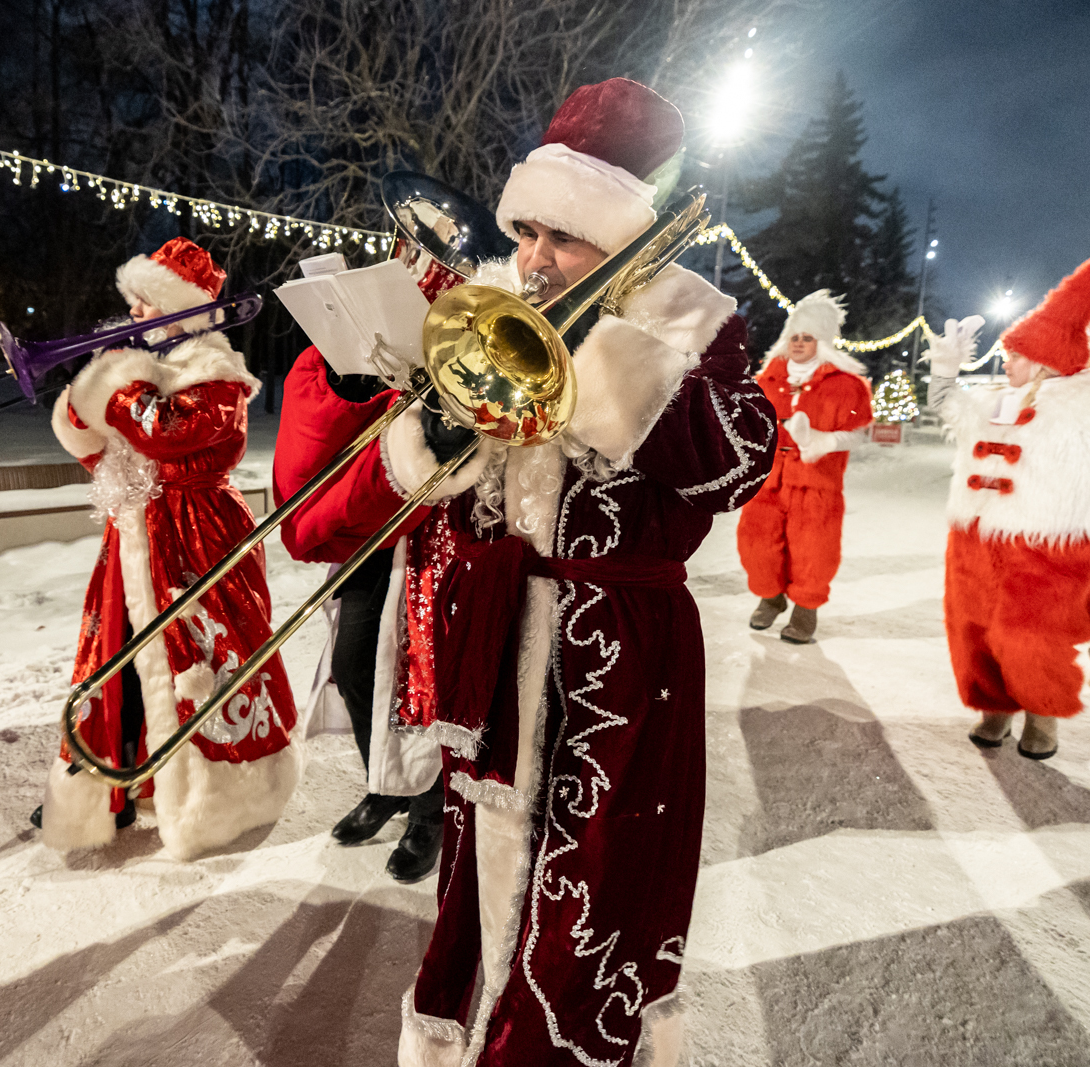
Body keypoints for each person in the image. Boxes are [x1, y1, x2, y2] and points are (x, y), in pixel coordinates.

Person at [391, 78, 777, 1067]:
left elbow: (740, 459)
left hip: (618, 648)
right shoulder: (505, 308)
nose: (532, 258)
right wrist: (436, 424)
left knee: (596, 873)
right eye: (527, 234)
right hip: (500, 629)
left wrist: (608, 369)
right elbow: (459, 488)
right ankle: (468, 1028)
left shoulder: (695, 317)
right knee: (483, 858)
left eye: (559, 240)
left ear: (614, 239)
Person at [35, 237, 301, 859]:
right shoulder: (147, 365)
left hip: (195, 538)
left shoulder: (215, 369)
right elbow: (92, 440)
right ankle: (114, 783)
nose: (132, 316)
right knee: (119, 658)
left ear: (177, 308)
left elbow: (169, 433)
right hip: (134, 533)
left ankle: (215, 793)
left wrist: (117, 384)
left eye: (144, 304)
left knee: (199, 660)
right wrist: (88, 394)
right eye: (132, 303)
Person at [924, 234, 1090, 760]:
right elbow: (943, 406)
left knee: (1035, 639)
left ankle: (1042, 714)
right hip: (973, 540)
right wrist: (946, 367)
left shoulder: (1088, 409)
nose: (1007, 361)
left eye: (1017, 354)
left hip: (1045, 547)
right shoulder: (991, 400)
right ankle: (992, 706)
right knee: (972, 630)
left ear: (1045, 361)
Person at [273, 342, 487, 882]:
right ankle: (388, 783)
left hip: (444, 520)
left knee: (423, 681)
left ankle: (429, 811)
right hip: (383, 506)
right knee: (353, 665)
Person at [737, 291, 872, 642]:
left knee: (813, 549)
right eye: (794, 336)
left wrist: (827, 441)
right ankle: (771, 597)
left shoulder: (847, 386)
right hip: (767, 481)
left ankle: (805, 608)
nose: (798, 343)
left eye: (807, 337)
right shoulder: (766, 379)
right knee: (756, 543)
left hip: (816, 482)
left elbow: (860, 433)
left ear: (822, 342)